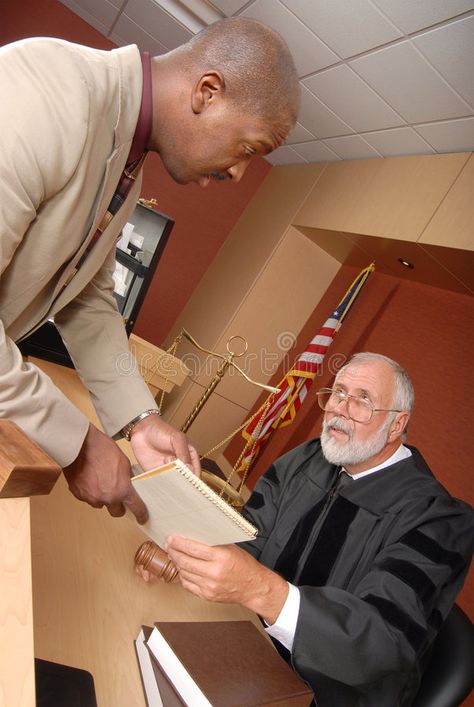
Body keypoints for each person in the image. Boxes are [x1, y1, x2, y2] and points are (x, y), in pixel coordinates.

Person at [0, 19, 299, 523]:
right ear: (207, 91)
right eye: (249, 149)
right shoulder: (49, 91)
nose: (238, 173)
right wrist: (78, 444)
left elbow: (87, 298)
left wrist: (140, 419)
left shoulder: (126, 165)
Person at [165, 352, 474, 706]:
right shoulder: (307, 459)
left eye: (362, 401)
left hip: (329, 694)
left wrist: (263, 592)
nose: (341, 408)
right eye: (338, 393)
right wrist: (191, 559)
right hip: (245, 643)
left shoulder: (438, 519)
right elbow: (249, 537)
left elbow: (381, 643)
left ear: (396, 425)